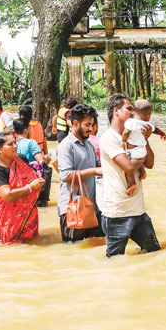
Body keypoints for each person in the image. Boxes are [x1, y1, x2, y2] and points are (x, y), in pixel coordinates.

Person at [100, 93, 161, 258]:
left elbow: (150, 164)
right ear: (116, 111)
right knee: (115, 261)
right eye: (129, 109)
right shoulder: (108, 138)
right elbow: (128, 165)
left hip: (138, 211)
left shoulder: (134, 135)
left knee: (154, 254)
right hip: (118, 213)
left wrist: (145, 140)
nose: (133, 113)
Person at [0, 130, 44, 244]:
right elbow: (7, 196)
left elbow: (31, 176)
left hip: (28, 215)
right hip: (7, 219)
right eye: (10, 144)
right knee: (12, 246)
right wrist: (31, 187)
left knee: (31, 244)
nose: (15, 146)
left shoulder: (21, 159)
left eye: (15, 142)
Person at [57, 103, 104, 242]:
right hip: (72, 208)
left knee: (96, 247)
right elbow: (65, 175)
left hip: (92, 207)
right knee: (74, 252)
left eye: (92, 124)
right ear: (75, 123)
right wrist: (94, 171)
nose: (91, 129)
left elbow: (99, 165)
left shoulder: (88, 143)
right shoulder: (66, 146)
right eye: (87, 125)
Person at [120, 98, 166, 195]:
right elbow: (157, 130)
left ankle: (132, 183)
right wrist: (163, 134)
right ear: (149, 116)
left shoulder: (131, 122)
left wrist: (123, 141)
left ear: (134, 112)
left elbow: (126, 132)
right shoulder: (148, 125)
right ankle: (142, 172)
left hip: (133, 151)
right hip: (142, 150)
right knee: (139, 160)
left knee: (128, 169)